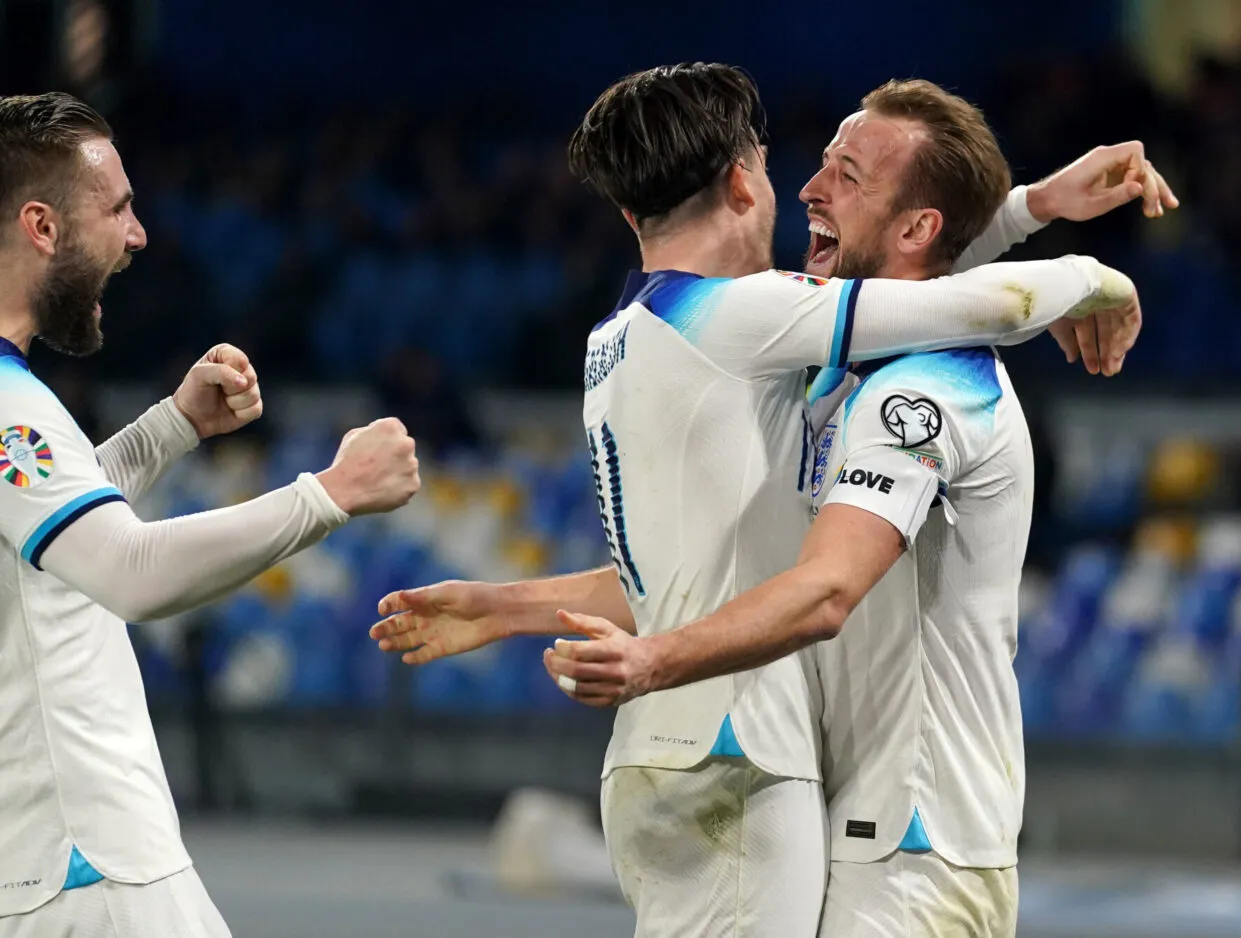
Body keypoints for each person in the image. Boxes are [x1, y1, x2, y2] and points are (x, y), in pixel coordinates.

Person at [372, 63, 1147, 938]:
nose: (810, 188)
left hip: (921, 836)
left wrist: (1040, 214)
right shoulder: (801, 361)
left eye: (845, 175)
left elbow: (823, 583)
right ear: (743, 180)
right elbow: (915, 282)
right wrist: (1084, 266)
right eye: (808, 164)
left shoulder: (925, 381)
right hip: (841, 814)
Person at [0, 92, 422, 938]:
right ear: (42, 227)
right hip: (93, 863)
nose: (138, 233)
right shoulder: (12, 408)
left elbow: (42, 533)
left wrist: (172, 427)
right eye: (117, 207)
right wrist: (329, 493)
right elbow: (126, 569)